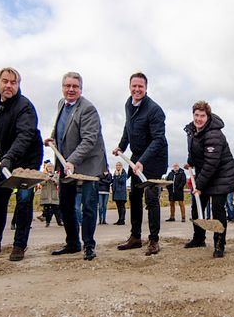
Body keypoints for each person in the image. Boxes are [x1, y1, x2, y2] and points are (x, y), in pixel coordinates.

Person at [0, 67, 43, 262]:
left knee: (23, 200)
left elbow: (25, 135)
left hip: (28, 158)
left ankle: (19, 244)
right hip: (6, 158)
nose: (8, 86)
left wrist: (10, 157)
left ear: (18, 85)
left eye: (13, 82)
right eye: (5, 81)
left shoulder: (25, 107)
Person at [47, 72, 108, 261]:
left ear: (81, 89)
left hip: (88, 165)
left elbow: (89, 139)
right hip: (67, 165)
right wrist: (52, 137)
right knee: (65, 205)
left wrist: (72, 160)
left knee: (88, 206)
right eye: (67, 86)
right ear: (62, 87)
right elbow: (62, 129)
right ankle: (73, 243)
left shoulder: (88, 109)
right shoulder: (61, 104)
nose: (71, 89)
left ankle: (89, 245)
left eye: (75, 86)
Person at [113, 72, 168, 256]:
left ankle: (154, 240)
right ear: (130, 86)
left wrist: (143, 161)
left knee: (151, 198)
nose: (137, 89)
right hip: (137, 157)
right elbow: (128, 128)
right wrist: (121, 146)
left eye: (140, 87)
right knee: (134, 196)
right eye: (134, 86)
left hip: (154, 158)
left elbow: (158, 139)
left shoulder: (154, 110)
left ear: (146, 88)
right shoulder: (129, 104)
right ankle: (135, 237)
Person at [183, 101, 234, 257]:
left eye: (202, 116)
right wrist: (190, 162)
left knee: (218, 210)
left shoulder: (214, 133)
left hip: (221, 175)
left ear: (208, 117)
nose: (199, 119)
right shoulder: (193, 130)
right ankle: (199, 238)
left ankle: (219, 244)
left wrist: (198, 186)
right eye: (196, 115)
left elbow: (211, 163)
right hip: (206, 174)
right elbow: (195, 151)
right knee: (197, 207)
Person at [39, 162, 61, 227]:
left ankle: (59, 222)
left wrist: (54, 180)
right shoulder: (43, 174)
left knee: (56, 209)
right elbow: (41, 183)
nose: (50, 168)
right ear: (46, 168)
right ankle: (47, 222)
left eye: (51, 167)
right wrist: (46, 179)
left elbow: (58, 183)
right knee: (47, 209)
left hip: (53, 195)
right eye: (48, 167)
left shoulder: (56, 175)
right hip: (46, 194)